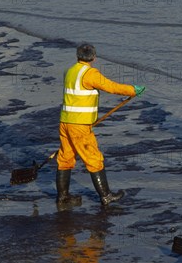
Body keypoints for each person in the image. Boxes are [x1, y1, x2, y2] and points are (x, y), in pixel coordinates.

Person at [56, 43, 145, 207]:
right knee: (94, 158)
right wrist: (132, 90)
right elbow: (111, 87)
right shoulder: (89, 74)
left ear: (77, 56)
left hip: (65, 122)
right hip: (80, 125)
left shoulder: (70, 71)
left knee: (65, 158)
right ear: (94, 58)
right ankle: (106, 196)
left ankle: (63, 197)